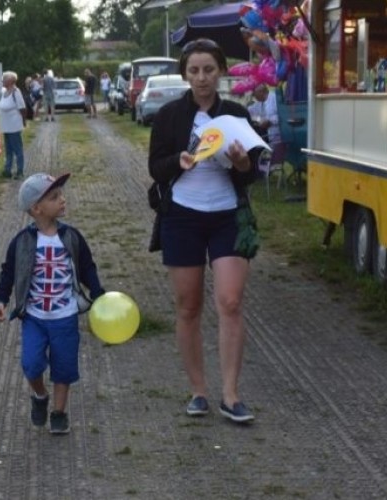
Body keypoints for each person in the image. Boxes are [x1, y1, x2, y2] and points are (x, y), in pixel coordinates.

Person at [148, 38, 265, 424]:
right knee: (189, 306)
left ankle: (231, 395)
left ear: (221, 72)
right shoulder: (168, 116)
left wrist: (242, 163)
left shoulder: (235, 114)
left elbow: (252, 173)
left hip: (227, 216)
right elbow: (156, 166)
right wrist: (177, 162)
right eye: (194, 71)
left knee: (230, 302)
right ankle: (199, 391)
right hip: (182, 216)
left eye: (209, 70)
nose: (201, 78)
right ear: (185, 73)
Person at [0, 172, 105, 435]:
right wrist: (1, 299)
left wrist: (97, 291)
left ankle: (59, 413)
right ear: (36, 208)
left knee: (63, 367)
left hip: (65, 317)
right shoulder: (22, 242)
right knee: (31, 364)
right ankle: (40, 396)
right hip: (34, 317)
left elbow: (87, 267)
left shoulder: (72, 237)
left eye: (61, 195)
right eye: (55, 197)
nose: (62, 200)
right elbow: (8, 272)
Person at [247, 83, 285, 175]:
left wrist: (270, 121)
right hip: (266, 133)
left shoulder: (275, 99)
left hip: (276, 134)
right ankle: (257, 169)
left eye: (254, 94)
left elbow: (282, 116)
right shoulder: (260, 102)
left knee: (256, 145)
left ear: (261, 92)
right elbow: (251, 110)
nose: (254, 97)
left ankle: (260, 170)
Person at [0, 71, 27, 179]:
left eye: (4, 79)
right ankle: (7, 170)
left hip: (14, 126)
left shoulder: (16, 92)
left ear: (10, 81)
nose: (2, 81)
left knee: (17, 149)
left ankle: (20, 171)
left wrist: (24, 121)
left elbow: (22, 108)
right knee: (8, 150)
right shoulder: (4, 92)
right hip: (6, 127)